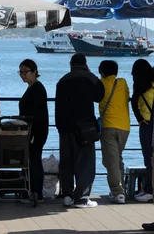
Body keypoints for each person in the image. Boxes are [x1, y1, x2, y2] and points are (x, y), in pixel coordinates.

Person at [55, 53, 104, 208]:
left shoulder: (62, 80)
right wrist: (89, 73)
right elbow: (100, 95)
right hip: (85, 128)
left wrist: (59, 127)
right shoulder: (89, 78)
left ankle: (67, 195)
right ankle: (82, 198)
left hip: (65, 127)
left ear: (71, 64)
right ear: (85, 63)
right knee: (85, 163)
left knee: (67, 163)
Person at [97, 60, 130, 204]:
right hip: (125, 127)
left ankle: (118, 192)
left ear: (102, 72)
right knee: (118, 159)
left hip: (108, 126)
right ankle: (121, 189)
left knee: (111, 161)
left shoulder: (100, 84)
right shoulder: (122, 83)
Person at [18, 59, 49, 202]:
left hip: (36, 131)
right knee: (31, 159)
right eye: (21, 72)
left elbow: (36, 113)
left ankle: (36, 192)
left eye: (25, 72)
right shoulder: (32, 88)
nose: (23, 75)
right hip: (31, 130)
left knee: (34, 159)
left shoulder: (37, 89)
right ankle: (31, 190)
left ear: (34, 72)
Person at [130, 59, 154, 203]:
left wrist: (139, 118)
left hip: (147, 123)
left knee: (148, 158)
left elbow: (134, 102)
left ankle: (148, 190)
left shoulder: (140, 85)